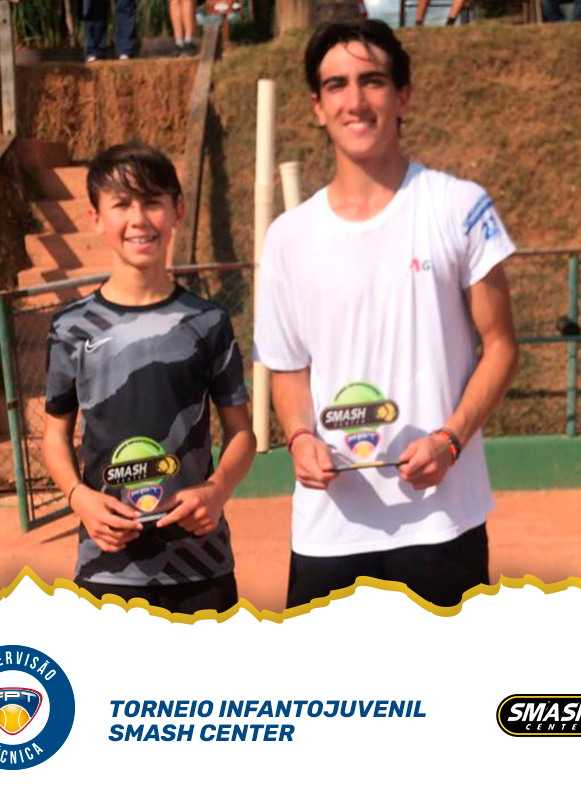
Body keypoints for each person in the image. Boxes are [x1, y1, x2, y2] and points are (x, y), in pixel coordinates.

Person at [254, 19, 518, 609]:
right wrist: (298, 437)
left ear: (403, 96)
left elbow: (501, 345)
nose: (355, 100)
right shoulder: (287, 237)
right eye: (337, 85)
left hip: (441, 523)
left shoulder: (459, 206)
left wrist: (450, 439)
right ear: (317, 107)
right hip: (328, 531)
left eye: (372, 81)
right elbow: (288, 368)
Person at [43, 142, 256, 614]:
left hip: (202, 565)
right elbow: (54, 435)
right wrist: (79, 498)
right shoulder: (71, 328)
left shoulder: (208, 322)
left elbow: (242, 434)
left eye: (152, 201)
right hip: (107, 567)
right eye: (121, 204)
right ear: (97, 217)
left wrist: (218, 489)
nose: (138, 219)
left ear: (177, 210)